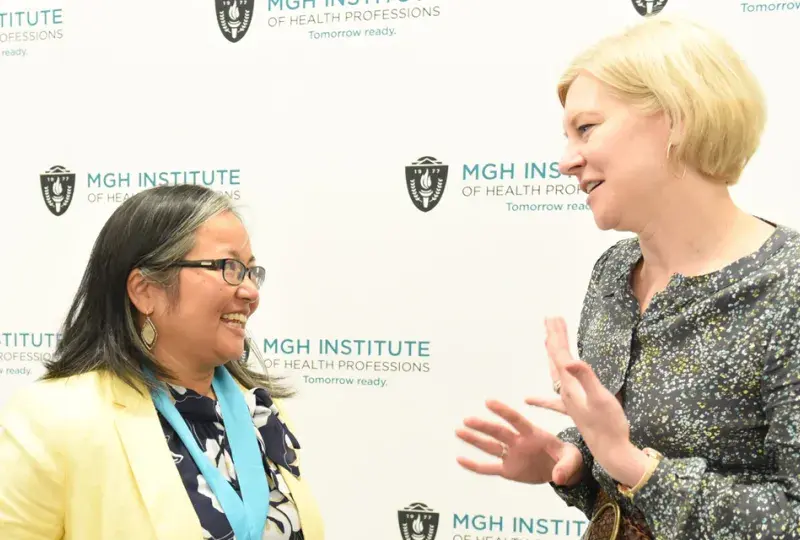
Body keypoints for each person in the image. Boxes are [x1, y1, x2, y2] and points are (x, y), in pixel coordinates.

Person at [456, 15, 800, 540]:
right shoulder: (615, 272)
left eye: (586, 128)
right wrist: (573, 458)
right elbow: (616, 460)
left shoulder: (787, 284)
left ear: (678, 119)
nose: (566, 161)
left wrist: (635, 467)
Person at [0, 185, 324, 540]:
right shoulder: (54, 418)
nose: (250, 292)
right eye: (229, 267)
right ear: (145, 290)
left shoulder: (259, 409)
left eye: (250, 271)